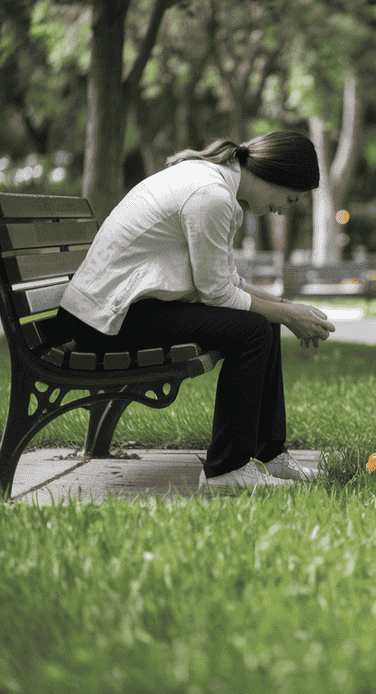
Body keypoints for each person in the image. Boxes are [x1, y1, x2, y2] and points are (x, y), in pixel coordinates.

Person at [57, 130, 336, 493]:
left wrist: (286, 308)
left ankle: (268, 454)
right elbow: (218, 295)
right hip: (103, 322)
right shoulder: (212, 195)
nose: (284, 208)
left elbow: (225, 280)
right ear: (277, 176)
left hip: (115, 311)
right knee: (253, 330)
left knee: (262, 322)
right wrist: (287, 315)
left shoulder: (211, 182)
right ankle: (227, 470)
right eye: (290, 198)